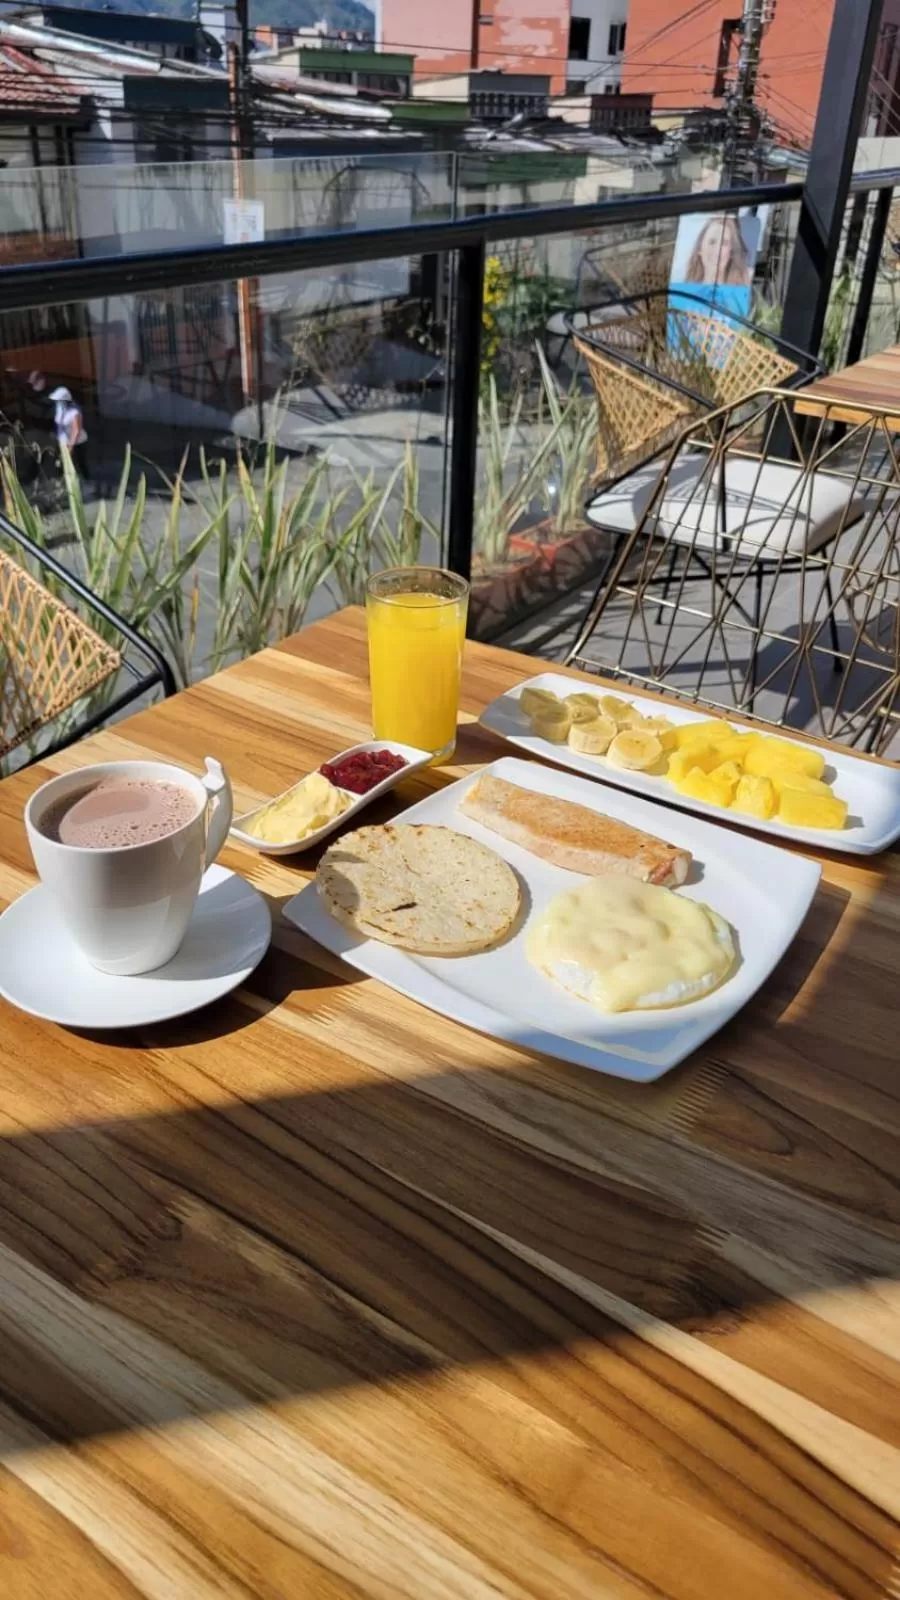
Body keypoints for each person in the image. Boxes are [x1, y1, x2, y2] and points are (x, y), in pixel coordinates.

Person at [684, 214, 752, 288]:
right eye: (712, 242)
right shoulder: (683, 291)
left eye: (724, 243)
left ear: (731, 253)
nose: (717, 250)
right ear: (699, 249)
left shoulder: (743, 291)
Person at [49, 386, 90, 481]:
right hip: (63, 440)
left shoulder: (74, 412)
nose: (57, 402)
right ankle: (61, 481)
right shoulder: (59, 408)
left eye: (59, 400)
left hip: (77, 442)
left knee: (80, 462)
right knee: (61, 462)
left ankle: (86, 480)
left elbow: (76, 430)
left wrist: (71, 446)